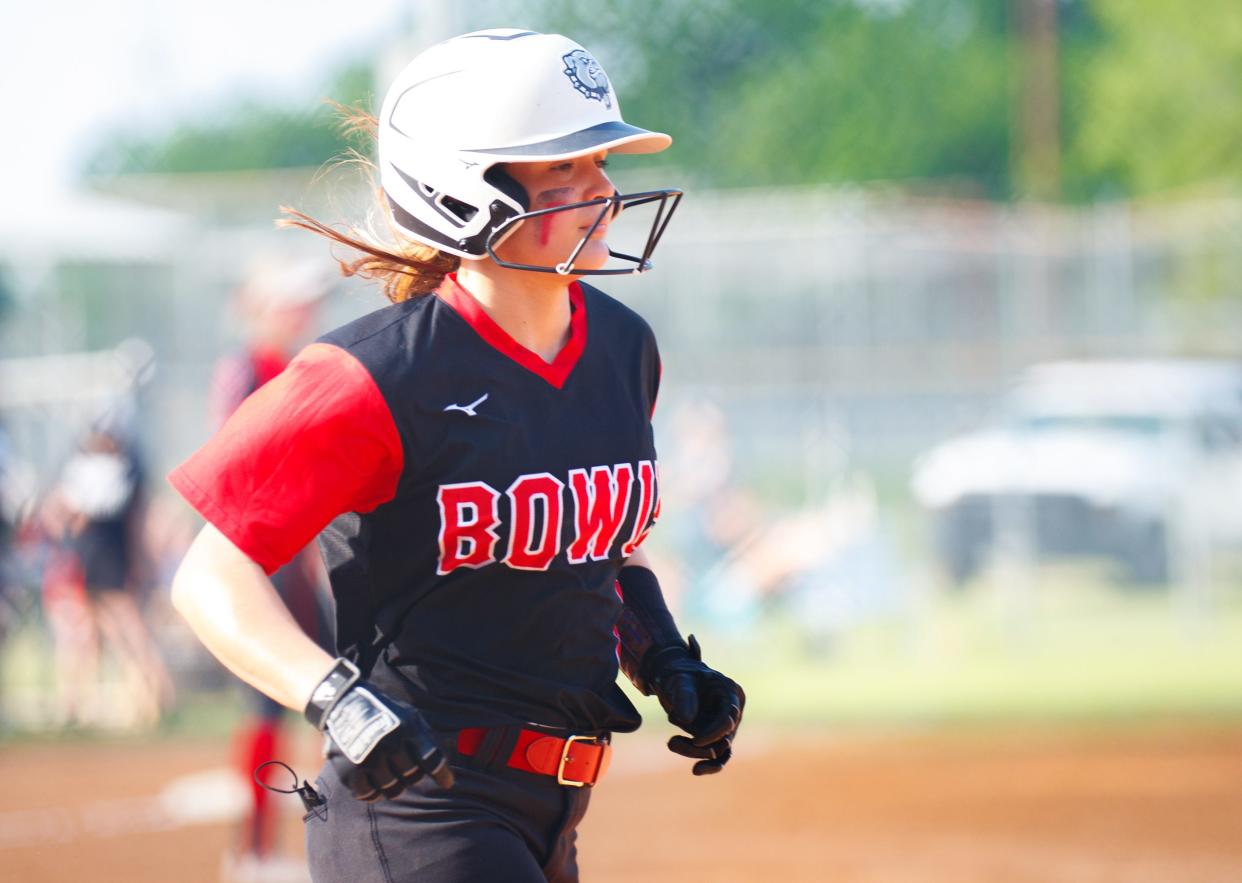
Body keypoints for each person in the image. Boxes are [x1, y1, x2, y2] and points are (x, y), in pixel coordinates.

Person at [168, 29, 744, 883]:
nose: (606, 194)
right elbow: (210, 577)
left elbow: (599, 552)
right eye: (566, 173)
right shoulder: (374, 373)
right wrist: (333, 699)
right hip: (419, 806)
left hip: (552, 811)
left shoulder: (624, 347)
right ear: (464, 195)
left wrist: (662, 653)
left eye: (602, 164)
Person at [209, 255, 335, 878]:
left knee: (334, 698)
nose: (306, 311)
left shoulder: (297, 368)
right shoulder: (248, 370)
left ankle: (331, 844)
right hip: (268, 557)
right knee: (269, 703)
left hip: (309, 554)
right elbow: (238, 465)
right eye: (293, 301)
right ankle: (253, 852)